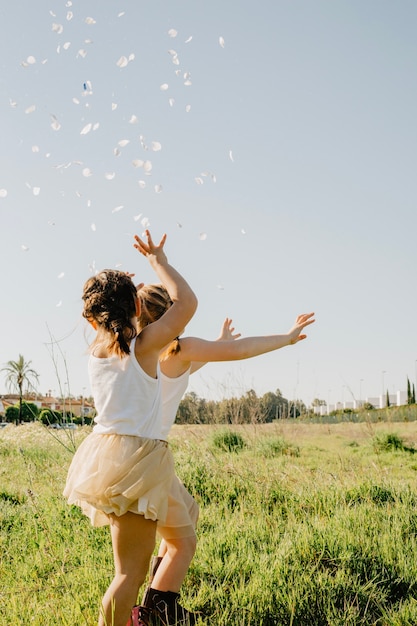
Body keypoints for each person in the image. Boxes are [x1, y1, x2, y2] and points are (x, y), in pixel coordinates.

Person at [131, 283, 315, 625]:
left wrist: (219, 343)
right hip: (149, 461)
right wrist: (286, 338)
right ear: (171, 316)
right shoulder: (176, 349)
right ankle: (156, 613)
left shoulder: (143, 354)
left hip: (144, 456)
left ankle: (155, 599)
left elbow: (191, 367)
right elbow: (242, 351)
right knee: (183, 543)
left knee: (188, 511)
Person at [63, 231, 198, 626]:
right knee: (128, 576)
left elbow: (99, 314)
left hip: (106, 456)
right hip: (137, 463)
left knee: (128, 570)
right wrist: (159, 263)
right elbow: (187, 303)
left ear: (92, 319)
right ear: (138, 303)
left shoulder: (98, 350)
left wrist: (112, 291)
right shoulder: (146, 345)